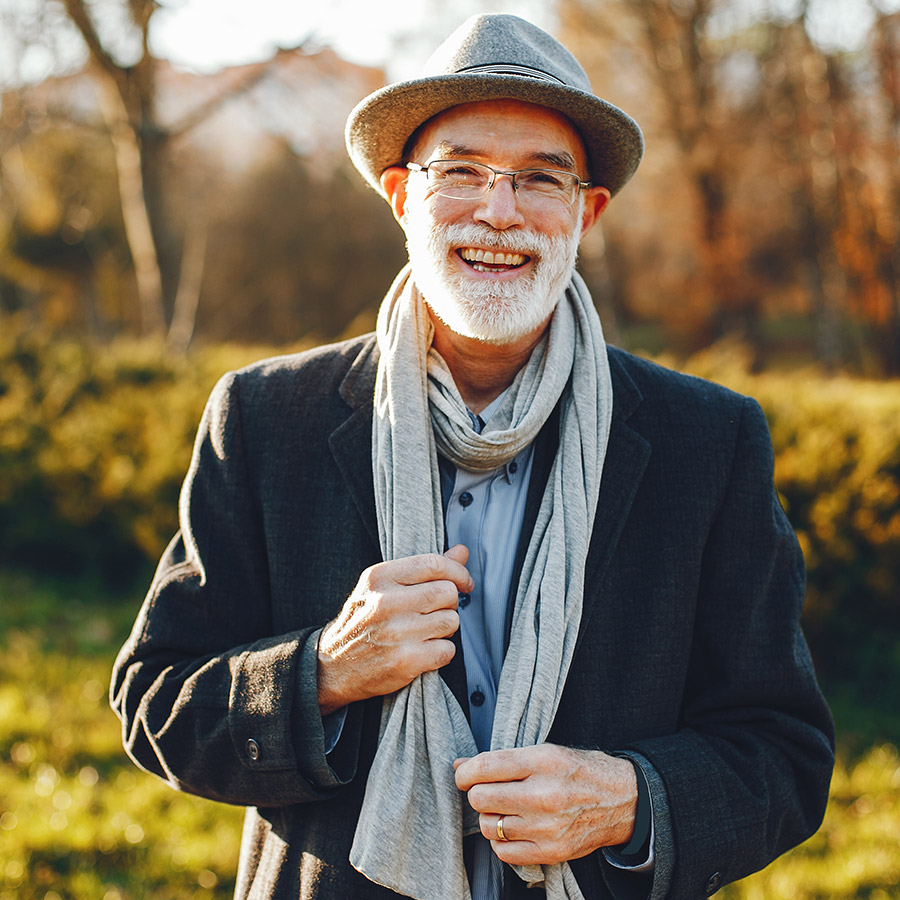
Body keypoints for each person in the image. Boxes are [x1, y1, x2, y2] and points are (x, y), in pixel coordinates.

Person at [111, 13, 834, 900]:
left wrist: (634, 800)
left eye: (540, 178)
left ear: (587, 210)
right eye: (460, 172)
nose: (499, 211)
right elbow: (156, 704)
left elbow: (784, 751)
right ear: (400, 196)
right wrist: (326, 672)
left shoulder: (707, 443)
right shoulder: (267, 419)